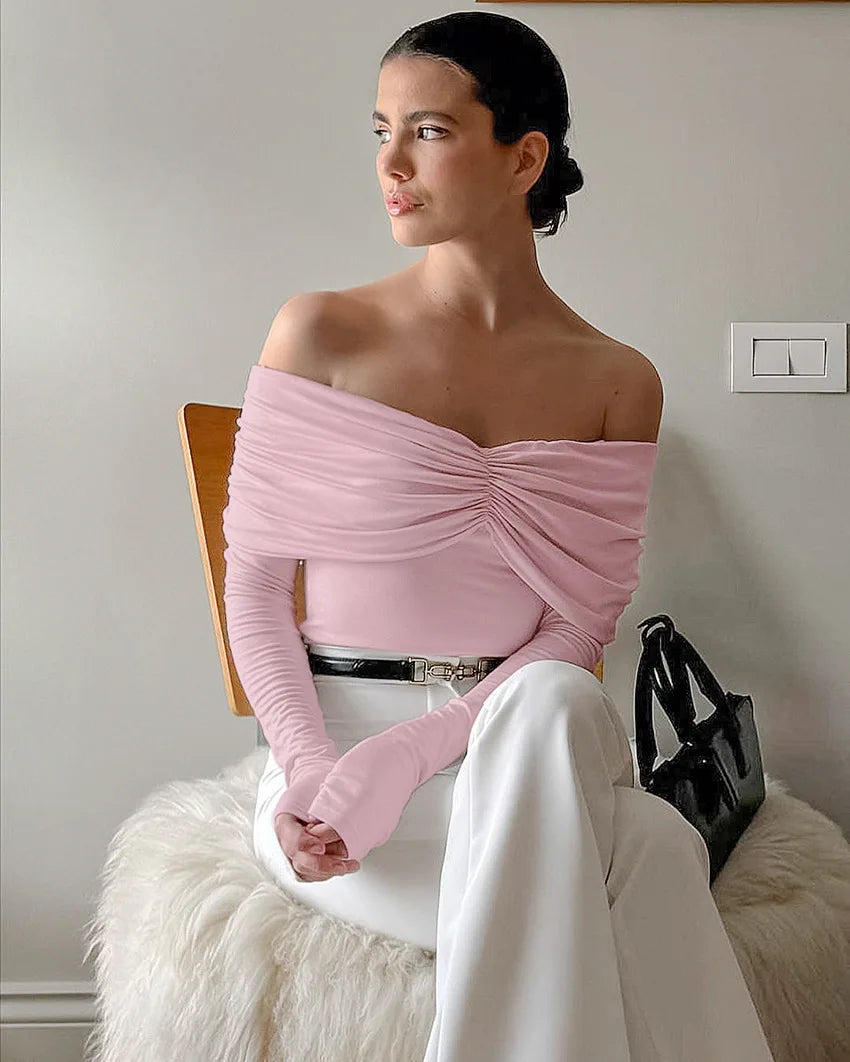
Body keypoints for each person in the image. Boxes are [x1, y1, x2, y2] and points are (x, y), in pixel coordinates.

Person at [222, 12, 775, 1061]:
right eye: (379, 129)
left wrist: (416, 753)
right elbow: (254, 588)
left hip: (519, 742)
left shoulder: (618, 381)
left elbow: (578, 625)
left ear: (524, 156)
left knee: (554, 694)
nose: (388, 162)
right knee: (652, 852)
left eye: (426, 130)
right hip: (332, 766)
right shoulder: (321, 333)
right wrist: (315, 770)